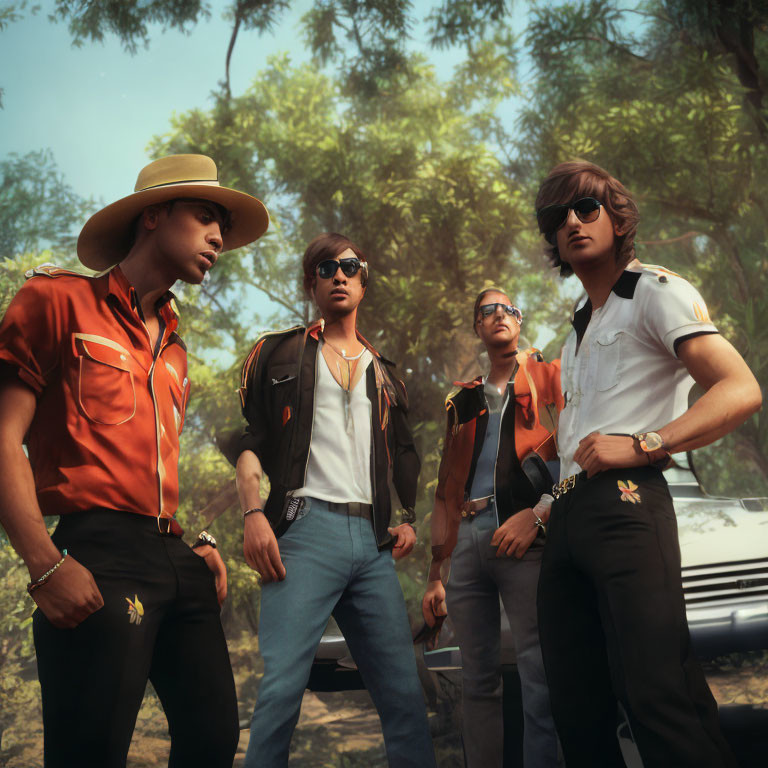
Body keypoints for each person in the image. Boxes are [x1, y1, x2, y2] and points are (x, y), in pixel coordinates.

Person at [0, 153, 269, 768]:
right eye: (205, 217)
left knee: (213, 741)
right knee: (90, 752)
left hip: (172, 555)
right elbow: (2, 437)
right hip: (96, 554)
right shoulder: (55, 301)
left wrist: (193, 542)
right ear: (153, 216)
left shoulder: (174, 353)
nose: (218, 238)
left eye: (220, 226)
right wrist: (44, 565)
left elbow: (152, 470)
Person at [533, 160, 761, 768]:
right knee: (577, 710)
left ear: (617, 216)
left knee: (657, 692)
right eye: (559, 218)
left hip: (629, 503)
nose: (574, 224)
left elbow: (739, 389)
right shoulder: (575, 331)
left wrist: (644, 443)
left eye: (588, 209)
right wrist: (545, 508)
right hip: (568, 521)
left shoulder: (656, 291)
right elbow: (576, 441)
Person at [235, 232, 437, 768]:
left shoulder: (386, 374)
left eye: (350, 266)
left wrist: (410, 518)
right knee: (281, 692)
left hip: (371, 545)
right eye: (326, 268)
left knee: (403, 697)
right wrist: (253, 514)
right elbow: (251, 441)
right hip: (303, 532)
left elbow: (404, 452)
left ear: (363, 282)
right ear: (312, 284)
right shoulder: (278, 353)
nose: (339, 275)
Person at [421, 288, 564, 768]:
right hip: (468, 541)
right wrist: (437, 571)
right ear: (478, 328)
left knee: (540, 670)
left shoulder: (549, 376)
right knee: (477, 678)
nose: (499, 314)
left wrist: (544, 511)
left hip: (525, 538)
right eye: (488, 310)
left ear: (519, 323)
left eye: (509, 309)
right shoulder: (462, 399)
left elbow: (573, 450)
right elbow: (446, 486)